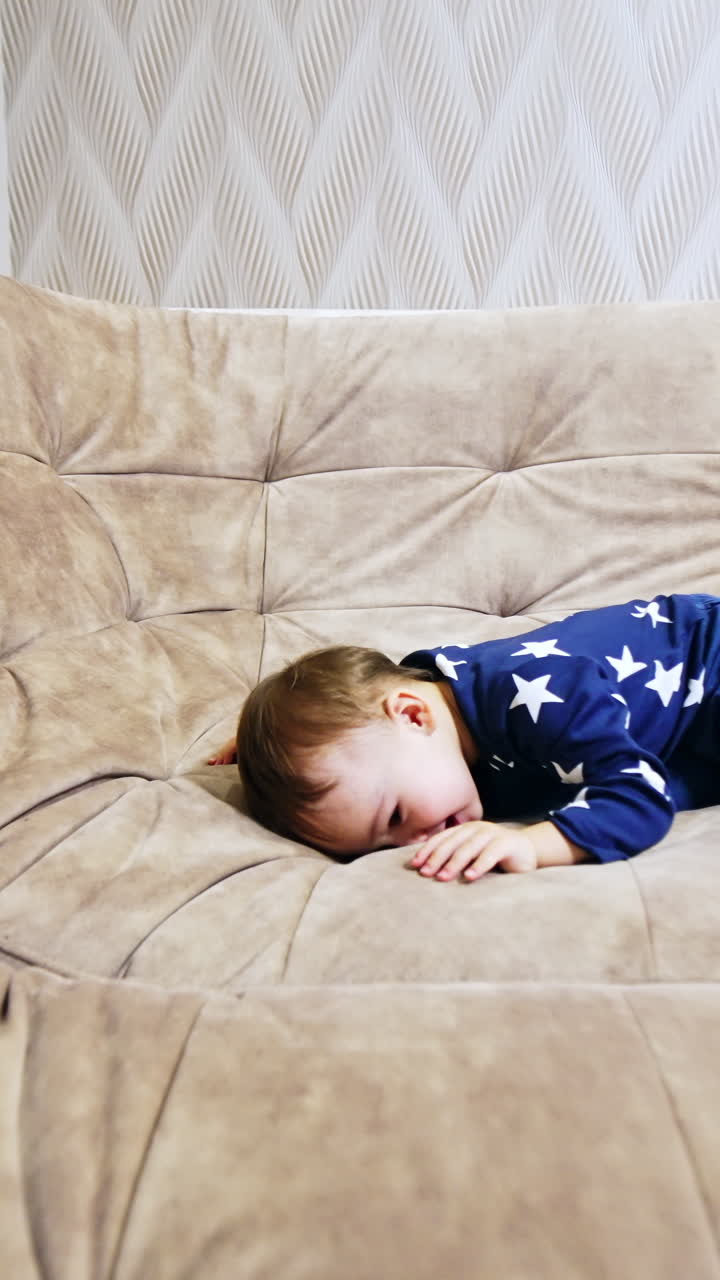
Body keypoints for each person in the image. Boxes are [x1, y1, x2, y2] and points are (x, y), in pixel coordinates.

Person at [208, 593, 720, 883]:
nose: (413, 842)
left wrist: (532, 842)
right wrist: (271, 746)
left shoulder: (540, 697)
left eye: (395, 816)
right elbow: (353, 698)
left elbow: (639, 794)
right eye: (378, 847)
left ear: (414, 716)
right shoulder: (415, 716)